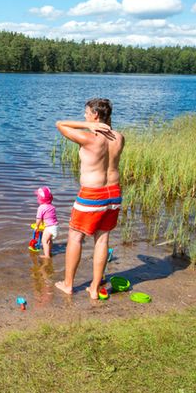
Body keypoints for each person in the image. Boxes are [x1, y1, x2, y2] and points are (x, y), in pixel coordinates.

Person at [54, 98, 124, 300]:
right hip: (114, 194)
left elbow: (60, 124)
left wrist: (88, 126)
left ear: (95, 116)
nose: (84, 116)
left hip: (92, 195)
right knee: (102, 239)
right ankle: (94, 288)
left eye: (86, 113)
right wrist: (96, 125)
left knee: (75, 238)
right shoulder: (119, 137)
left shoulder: (89, 138)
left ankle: (68, 285)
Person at [32, 186, 58, 258]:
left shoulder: (41, 208)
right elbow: (50, 217)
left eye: (38, 197)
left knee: (44, 241)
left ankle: (47, 255)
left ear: (40, 199)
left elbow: (39, 219)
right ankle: (49, 251)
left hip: (49, 228)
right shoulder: (52, 207)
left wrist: (37, 226)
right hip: (55, 227)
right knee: (49, 241)